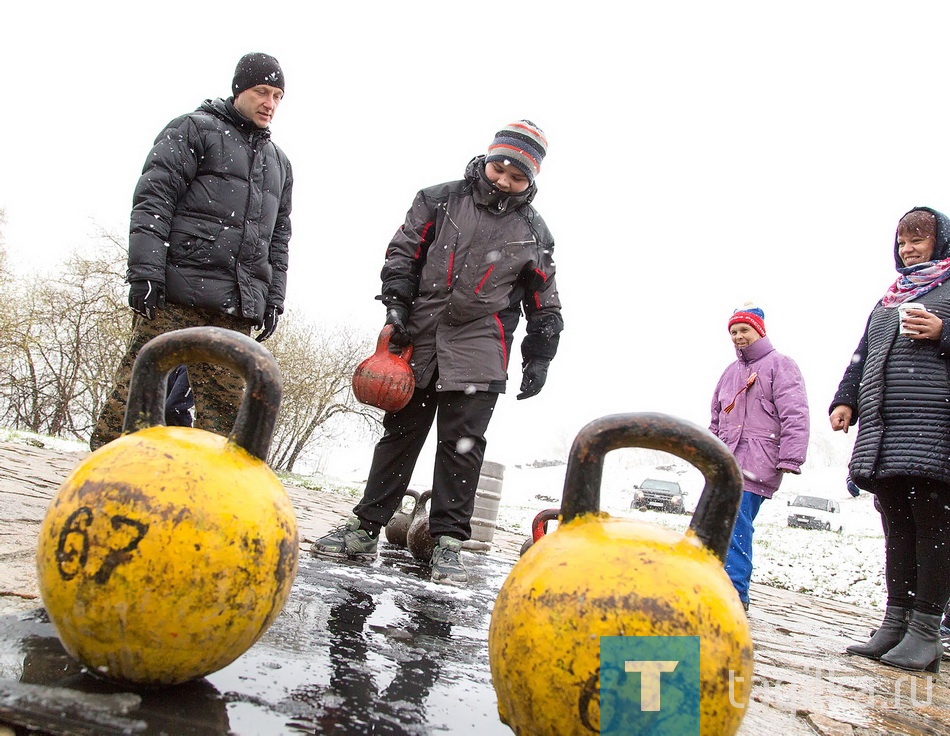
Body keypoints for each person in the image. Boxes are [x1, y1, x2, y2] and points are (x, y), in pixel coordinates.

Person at [311, 120, 563, 586]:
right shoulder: (439, 199)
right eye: (499, 169)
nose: (504, 181)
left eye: (517, 176)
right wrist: (396, 307)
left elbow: (544, 298)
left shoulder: (534, 231)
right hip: (421, 336)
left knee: (462, 446)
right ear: (487, 160)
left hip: (483, 346)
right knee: (400, 433)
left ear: (532, 180)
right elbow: (403, 254)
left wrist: (540, 353)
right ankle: (367, 527)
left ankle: (447, 543)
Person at [90, 53, 292, 450]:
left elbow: (279, 238)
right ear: (239, 91)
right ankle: (104, 477)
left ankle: (209, 498)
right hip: (176, 293)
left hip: (235, 307)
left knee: (228, 421)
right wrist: (145, 272)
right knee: (136, 397)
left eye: (279, 95)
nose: (270, 103)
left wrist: (273, 299)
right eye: (262, 92)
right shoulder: (192, 130)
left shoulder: (279, 163)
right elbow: (154, 201)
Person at [831, 206, 950, 674]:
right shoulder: (887, 301)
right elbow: (863, 355)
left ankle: (925, 632)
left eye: (919, 238)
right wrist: (846, 400)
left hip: (935, 432)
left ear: (940, 241)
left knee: (934, 530)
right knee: (897, 528)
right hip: (887, 433)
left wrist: (945, 332)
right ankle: (894, 622)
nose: (909, 248)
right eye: (902, 241)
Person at [709, 304, 810, 611]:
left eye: (745, 331)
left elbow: (795, 412)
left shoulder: (781, 365)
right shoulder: (730, 372)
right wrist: (709, 455)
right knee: (716, 522)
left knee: (735, 524)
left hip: (758, 460)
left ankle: (735, 594)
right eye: (734, 332)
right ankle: (714, 586)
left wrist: (791, 457)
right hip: (727, 460)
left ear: (759, 331)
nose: (739, 337)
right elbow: (716, 417)